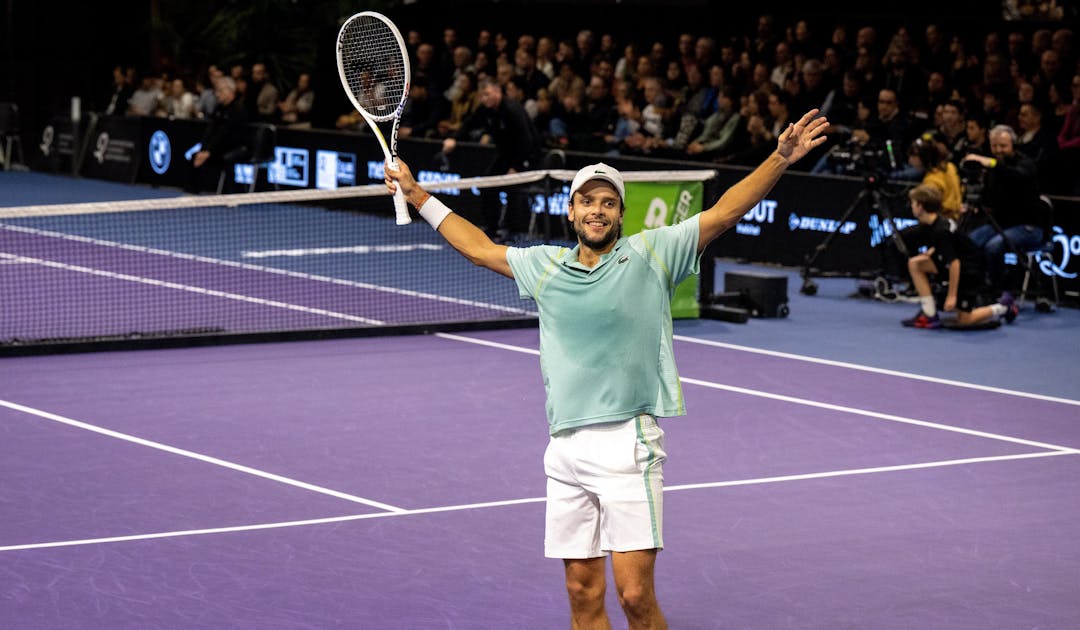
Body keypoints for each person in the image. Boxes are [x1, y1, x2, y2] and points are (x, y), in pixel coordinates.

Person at [384, 108, 829, 629]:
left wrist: (780, 158)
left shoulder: (652, 254)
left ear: (621, 214)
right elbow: (480, 248)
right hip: (565, 448)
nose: (597, 210)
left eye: (608, 203)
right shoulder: (544, 266)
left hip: (628, 446)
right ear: (571, 212)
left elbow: (725, 213)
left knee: (635, 596)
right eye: (587, 201)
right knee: (581, 592)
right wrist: (418, 196)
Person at [902, 184, 1019, 329]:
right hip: (959, 263)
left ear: (920, 206)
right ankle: (929, 314)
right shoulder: (934, 223)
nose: (911, 206)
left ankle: (1004, 307)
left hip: (969, 272)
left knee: (965, 320)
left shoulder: (940, 231)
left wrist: (952, 296)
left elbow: (955, 263)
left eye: (913, 203)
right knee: (915, 263)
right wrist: (932, 251)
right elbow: (951, 245)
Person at [442, 76, 542, 240]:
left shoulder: (511, 109)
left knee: (512, 188)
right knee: (487, 184)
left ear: (497, 92)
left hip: (527, 156)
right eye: (482, 95)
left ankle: (512, 231)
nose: (484, 98)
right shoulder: (485, 108)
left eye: (487, 94)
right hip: (505, 155)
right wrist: (454, 138)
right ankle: (492, 227)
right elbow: (470, 123)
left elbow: (527, 140)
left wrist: (515, 167)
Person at [961, 124, 1048, 298]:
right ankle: (974, 285)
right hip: (1000, 223)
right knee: (969, 242)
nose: (998, 150)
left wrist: (991, 164)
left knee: (994, 246)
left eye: (1003, 146)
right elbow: (988, 198)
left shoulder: (1025, 164)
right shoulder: (992, 170)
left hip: (1028, 227)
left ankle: (995, 290)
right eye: (995, 146)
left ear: (1013, 145)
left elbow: (1015, 176)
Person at [187, 77, 250, 194]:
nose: (217, 94)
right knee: (195, 155)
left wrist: (209, 152)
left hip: (237, 147)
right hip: (219, 147)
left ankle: (230, 194)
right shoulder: (218, 108)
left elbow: (226, 134)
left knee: (228, 159)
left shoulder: (239, 109)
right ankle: (193, 192)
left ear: (230, 91)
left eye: (220, 91)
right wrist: (203, 149)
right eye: (217, 91)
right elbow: (210, 131)